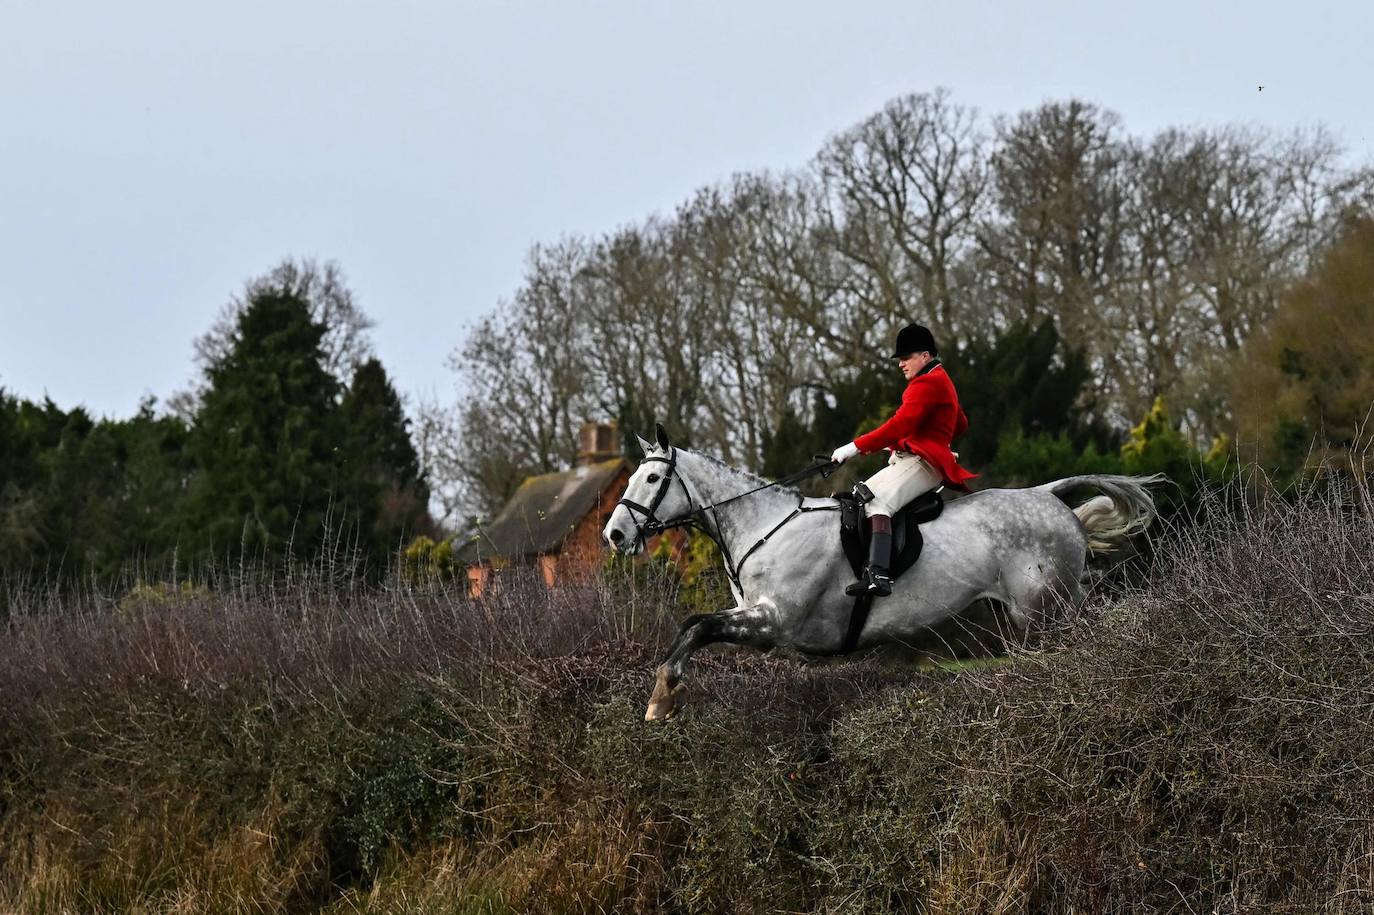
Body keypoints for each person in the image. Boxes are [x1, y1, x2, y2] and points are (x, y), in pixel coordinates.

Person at [830, 324, 975, 597]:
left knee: (876, 503)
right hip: (916, 458)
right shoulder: (940, 377)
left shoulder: (926, 383)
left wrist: (854, 447)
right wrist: (934, 441)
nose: (901, 364)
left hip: (923, 463)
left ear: (925, 355)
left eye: (906, 357)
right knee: (859, 496)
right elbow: (961, 423)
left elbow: (898, 425)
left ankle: (878, 574)